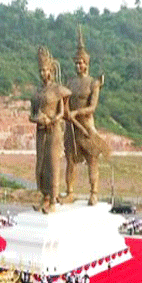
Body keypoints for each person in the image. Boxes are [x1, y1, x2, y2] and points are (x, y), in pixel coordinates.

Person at [62, 26, 109, 205]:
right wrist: (66, 111)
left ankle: (94, 191)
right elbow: (64, 100)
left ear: (87, 64)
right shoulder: (70, 82)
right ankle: (70, 192)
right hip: (71, 127)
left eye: (81, 63)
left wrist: (77, 112)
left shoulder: (93, 83)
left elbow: (92, 107)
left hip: (86, 126)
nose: (78, 65)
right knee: (70, 160)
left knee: (92, 160)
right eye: (76, 63)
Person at [30, 46, 71, 213]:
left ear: (51, 71)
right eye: (40, 70)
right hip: (40, 131)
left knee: (53, 164)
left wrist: (51, 120)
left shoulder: (57, 89)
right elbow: (31, 114)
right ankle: (44, 196)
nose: (42, 74)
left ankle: (53, 200)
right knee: (41, 164)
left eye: (45, 70)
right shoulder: (37, 92)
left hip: (53, 130)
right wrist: (38, 119)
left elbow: (61, 112)